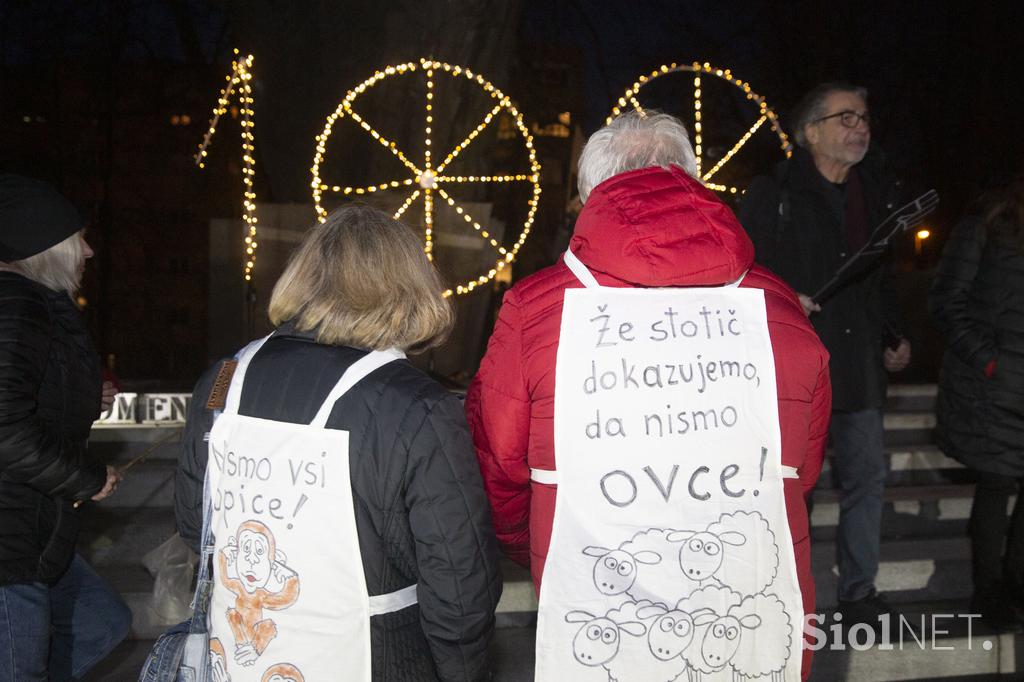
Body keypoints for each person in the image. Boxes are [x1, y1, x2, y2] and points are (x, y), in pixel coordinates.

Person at [466, 112, 830, 680]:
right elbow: (800, 469)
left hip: (593, 591)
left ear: (591, 193)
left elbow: (501, 461)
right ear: (689, 177)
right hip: (750, 593)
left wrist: (530, 545)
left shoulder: (535, 309)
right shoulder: (777, 305)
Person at [175, 204, 501, 681]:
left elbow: (194, 522)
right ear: (409, 289)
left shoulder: (224, 379)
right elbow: (457, 580)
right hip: (382, 661)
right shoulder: (416, 407)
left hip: (239, 658)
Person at [739, 82, 910, 629]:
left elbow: (876, 283)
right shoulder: (774, 193)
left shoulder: (874, 193)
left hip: (858, 370)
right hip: (797, 370)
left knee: (866, 481)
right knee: (796, 490)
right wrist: (784, 298)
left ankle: (859, 591)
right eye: (846, 118)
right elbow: (743, 273)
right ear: (809, 131)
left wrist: (894, 334)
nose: (860, 126)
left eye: (864, 117)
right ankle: (791, 593)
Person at [0, 174, 131, 679]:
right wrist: (87, 477)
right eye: (78, 238)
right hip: (10, 546)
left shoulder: (29, 301)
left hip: (34, 534)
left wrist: (80, 397)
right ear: (44, 243)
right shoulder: (17, 304)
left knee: (102, 622)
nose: (90, 252)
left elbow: (24, 393)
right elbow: (5, 428)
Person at [929, 177, 1024, 632]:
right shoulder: (987, 223)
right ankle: (989, 592)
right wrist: (990, 363)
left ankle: (1016, 586)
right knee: (996, 483)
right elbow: (946, 300)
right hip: (993, 390)